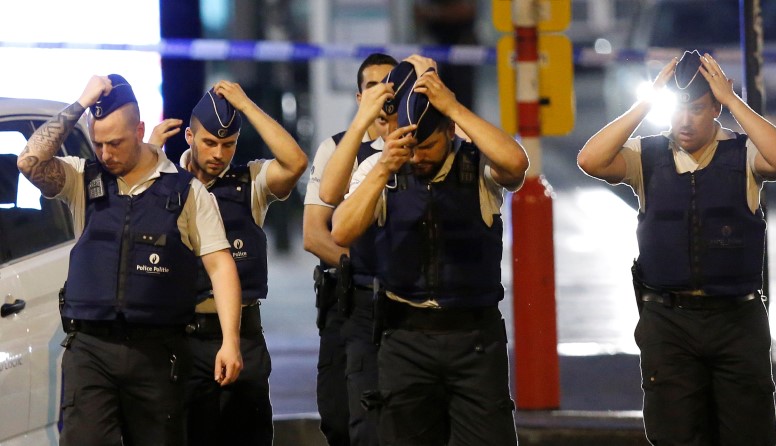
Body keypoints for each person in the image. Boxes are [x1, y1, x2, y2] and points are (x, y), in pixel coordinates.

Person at [577, 50, 776, 445]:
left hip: (737, 320)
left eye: (696, 109)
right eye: (676, 110)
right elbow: (591, 160)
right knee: (674, 434)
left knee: (749, 433)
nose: (684, 120)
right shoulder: (647, 154)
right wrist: (646, 104)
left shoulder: (742, 153)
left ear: (714, 109)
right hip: (669, 321)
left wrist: (733, 100)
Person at [17, 74, 243, 446]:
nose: (106, 154)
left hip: (157, 353)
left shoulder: (187, 193)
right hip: (91, 349)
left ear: (140, 130)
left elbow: (221, 266)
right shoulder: (82, 179)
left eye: (116, 143)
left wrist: (230, 341)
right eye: (100, 143)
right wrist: (79, 104)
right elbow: (29, 163)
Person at [331, 58, 528, 445]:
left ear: (451, 132)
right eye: (412, 146)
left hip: (474, 336)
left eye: (429, 146)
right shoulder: (382, 168)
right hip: (406, 337)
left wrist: (454, 106)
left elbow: (517, 164)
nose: (418, 157)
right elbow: (342, 230)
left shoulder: (478, 165)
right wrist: (385, 169)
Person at [149, 80, 307, 446]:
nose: (219, 153)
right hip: (183, 336)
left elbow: (295, 161)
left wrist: (247, 106)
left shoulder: (249, 182)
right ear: (189, 136)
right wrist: (150, 153)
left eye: (229, 144)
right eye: (210, 142)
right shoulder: (164, 181)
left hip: (241, 335)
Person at [303, 52, 398, 446]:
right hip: (352, 303)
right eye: (371, 87)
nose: (381, 94)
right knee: (340, 416)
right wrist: (361, 266)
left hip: (401, 304)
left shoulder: (421, 148)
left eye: (389, 84)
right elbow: (314, 233)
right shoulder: (340, 149)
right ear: (360, 98)